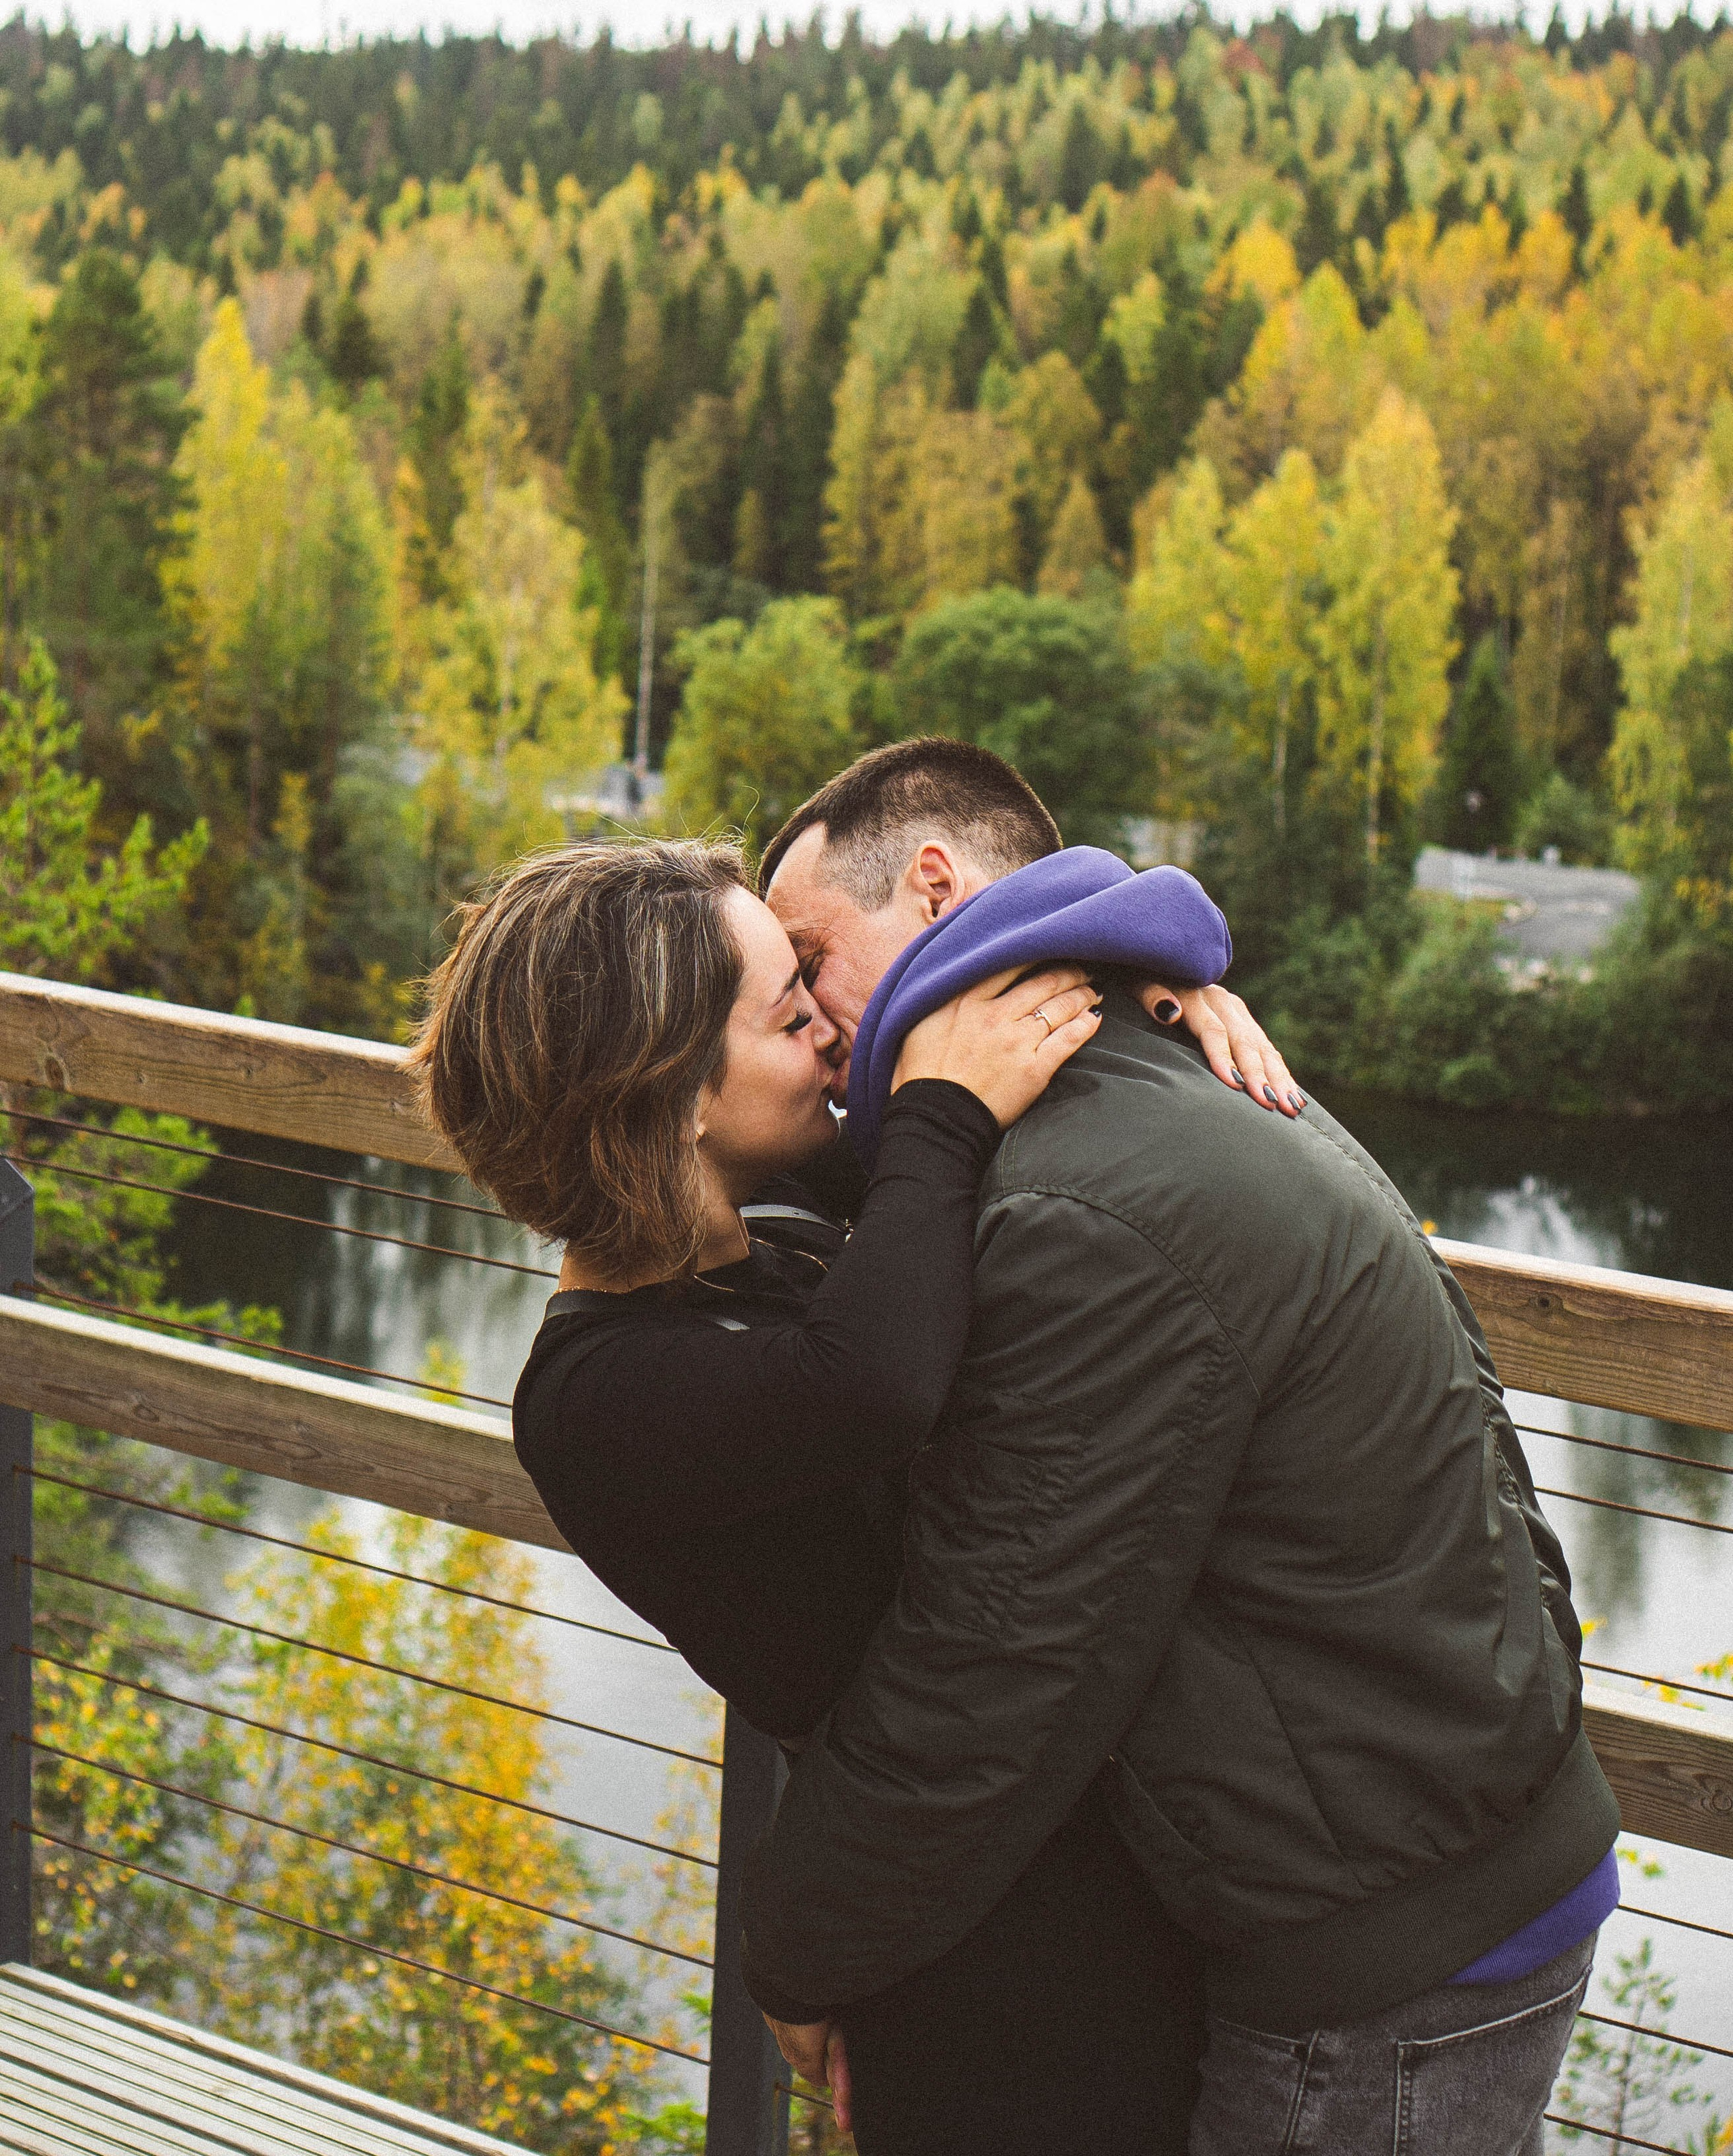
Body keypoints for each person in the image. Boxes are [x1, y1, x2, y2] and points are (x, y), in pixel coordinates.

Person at [741, 737, 1619, 2156]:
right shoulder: (1143, 1068)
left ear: (929, 885)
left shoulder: (1086, 1206)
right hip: (1435, 1858)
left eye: (807, 958)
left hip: (1389, 1945)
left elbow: (994, 1655)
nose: (813, 1027)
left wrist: (796, 1942)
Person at [408, 833, 1288, 2153]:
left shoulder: (755, 1229)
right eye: (787, 1011)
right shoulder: (593, 1400)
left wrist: (1148, 1014)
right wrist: (937, 1106)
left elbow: (969, 1163)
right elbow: (872, 1377)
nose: (835, 1034)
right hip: (967, 1951)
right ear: (673, 1100)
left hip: (1051, 1861)